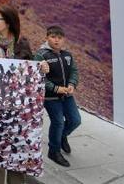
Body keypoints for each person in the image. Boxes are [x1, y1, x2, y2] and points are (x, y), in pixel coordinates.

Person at [0, 5, 49, 184]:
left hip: (18, 108)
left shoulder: (21, 43)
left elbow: (29, 69)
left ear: (8, 22)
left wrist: (41, 67)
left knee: (18, 152)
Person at [35, 25, 81, 167]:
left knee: (75, 120)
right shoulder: (41, 55)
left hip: (67, 95)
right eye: (53, 37)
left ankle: (61, 136)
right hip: (50, 98)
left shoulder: (67, 55)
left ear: (64, 40)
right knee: (58, 122)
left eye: (59, 38)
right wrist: (56, 88)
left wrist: (72, 84)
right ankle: (54, 151)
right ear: (47, 37)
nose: (56, 40)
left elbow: (74, 71)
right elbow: (39, 77)